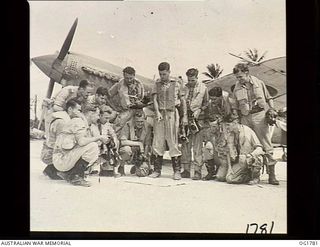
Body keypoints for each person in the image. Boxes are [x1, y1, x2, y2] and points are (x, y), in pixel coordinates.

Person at [231, 63, 279, 185]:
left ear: (247, 73)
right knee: (247, 146)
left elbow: (269, 98)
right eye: (237, 77)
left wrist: (272, 109)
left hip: (259, 116)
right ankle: (253, 175)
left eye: (240, 76)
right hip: (246, 117)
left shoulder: (259, 83)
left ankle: (271, 175)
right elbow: (235, 106)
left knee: (265, 145)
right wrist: (236, 118)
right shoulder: (237, 87)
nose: (239, 79)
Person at [52, 104, 109, 187]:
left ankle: (69, 173)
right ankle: (75, 177)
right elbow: (82, 142)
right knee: (93, 147)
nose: (98, 118)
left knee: (93, 146)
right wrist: (99, 137)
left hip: (63, 157)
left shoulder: (83, 122)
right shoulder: (79, 122)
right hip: (61, 159)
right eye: (97, 115)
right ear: (90, 113)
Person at [149, 62, 187, 180]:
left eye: (164, 74)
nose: (162, 76)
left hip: (171, 113)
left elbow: (183, 101)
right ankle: (157, 170)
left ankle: (176, 171)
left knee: (172, 140)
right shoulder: (157, 84)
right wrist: (157, 112)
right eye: (160, 74)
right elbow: (154, 99)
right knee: (158, 140)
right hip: (160, 114)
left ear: (169, 72)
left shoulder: (176, 83)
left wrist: (184, 115)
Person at [41, 99, 82, 180]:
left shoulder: (64, 119)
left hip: (50, 151)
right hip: (50, 153)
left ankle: (53, 169)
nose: (79, 113)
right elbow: (62, 144)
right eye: (78, 110)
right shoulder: (62, 122)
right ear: (70, 109)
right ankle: (55, 170)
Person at [180, 68, 209, 180]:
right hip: (185, 120)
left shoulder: (203, 88)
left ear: (197, 78)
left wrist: (200, 110)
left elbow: (206, 103)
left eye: (193, 80)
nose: (190, 82)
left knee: (197, 147)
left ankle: (197, 171)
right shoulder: (184, 88)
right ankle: (186, 170)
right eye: (189, 80)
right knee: (185, 145)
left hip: (198, 121)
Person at [223, 115, 265, 185]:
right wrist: (229, 168)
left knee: (256, 157)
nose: (227, 127)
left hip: (249, 159)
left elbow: (259, 148)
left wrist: (250, 155)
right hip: (240, 161)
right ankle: (247, 176)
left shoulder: (247, 131)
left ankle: (255, 177)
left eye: (228, 125)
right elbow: (228, 152)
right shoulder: (230, 134)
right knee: (229, 179)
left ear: (235, 122)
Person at [202, 86, 232, 180]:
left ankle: (226, 169)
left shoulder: (227, 101)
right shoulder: (210, 104)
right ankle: (211, 172)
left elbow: (229, 115)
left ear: (220, 97)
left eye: (214, 99)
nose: (212, 101)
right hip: (214, 130)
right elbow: (208, 117)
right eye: (211, 98)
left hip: (225, 130)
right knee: (208, 147)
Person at [108, 66, 145, 133]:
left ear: (134, 75)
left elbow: (142, 99)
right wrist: (114, 108)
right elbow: (108, 95)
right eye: (127, 78)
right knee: (118, 125)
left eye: (131, 78)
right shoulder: (120, 84)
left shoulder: (139, 84)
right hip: (124, 111)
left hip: (137, 110)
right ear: (123, 76)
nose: (129, 80)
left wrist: (140, 104)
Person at [90, 105, 121, 177]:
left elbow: (113, 134)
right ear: (100, 115)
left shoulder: (108, 125)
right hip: (96, 145)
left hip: (105, 146)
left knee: (114, 144)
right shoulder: (93, 124)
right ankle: (91, 168)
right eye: (105, 118)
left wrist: (115, 142)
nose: (107, 120)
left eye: (108, 118)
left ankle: (114, 169)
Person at [118, 111, 150, 176]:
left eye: (142, 121)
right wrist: (138, 144)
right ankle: (121, 166)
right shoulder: (128, 125)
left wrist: (144, 159)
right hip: (131, 149)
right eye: (137, 121)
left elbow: (147, 144)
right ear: (134, 120)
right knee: (126, 150)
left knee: (143, 173)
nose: (140, 123)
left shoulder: (147, 127)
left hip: (141, 151)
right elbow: (123, 141)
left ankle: (137, 166)